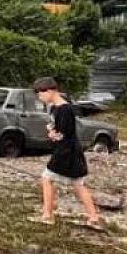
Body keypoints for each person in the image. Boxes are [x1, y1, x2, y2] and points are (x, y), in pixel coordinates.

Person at [33, 76, 102, 228]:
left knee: (47, 179)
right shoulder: (57, 108)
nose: (39, 97)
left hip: (66, 152)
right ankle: (93, 218)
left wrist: (52, 134)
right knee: (78, 184)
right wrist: (53, 131)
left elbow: (64, 133)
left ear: (50, 90)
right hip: (71, 151)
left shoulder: (64, 109)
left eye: (40, 93)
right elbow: (61, 130)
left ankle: (47, 216)